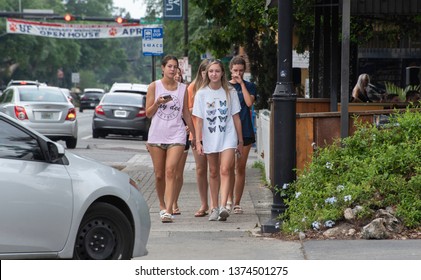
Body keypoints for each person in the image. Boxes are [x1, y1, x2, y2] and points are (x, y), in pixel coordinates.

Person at [146, 55, 195, 223]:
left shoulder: (183, 89)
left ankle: (168, 210)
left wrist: (194, 134)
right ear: (163, 68)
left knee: (170, 171)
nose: (172, 69)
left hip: (177, 134)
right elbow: (148, 113)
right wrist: (158, 103)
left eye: (175, 67)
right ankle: (161, 204)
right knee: (159, 174)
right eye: (169, 66)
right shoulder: (154, 87)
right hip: (157, 135)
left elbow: (186, 114)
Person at [192, 59, 243, 222]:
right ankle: (213, 207)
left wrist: (240, 140)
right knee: (213, 171)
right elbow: (199, 120)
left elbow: (236, 117)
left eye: (217, 71)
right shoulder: (201, 93)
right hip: (209, 135)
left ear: (222, 73)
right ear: (207, 73)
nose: (214, 74)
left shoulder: (230, 92)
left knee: (225, 169)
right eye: (211, 71)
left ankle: (223, 207)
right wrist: (198, 141)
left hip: (228, 135)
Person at [227, 56, 257, 214]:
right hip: (228, 132)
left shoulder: (250, 86)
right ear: (230, 70)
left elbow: (249, 103)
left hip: (245, 130)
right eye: (235, 70)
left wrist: (241, 85)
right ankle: (228, 199)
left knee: (240, 167)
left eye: (240, 70)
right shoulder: (224, 86)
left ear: (244, 71)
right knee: (228, 167)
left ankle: (237, 202)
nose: (237, 73)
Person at [188, 59, 212, 217]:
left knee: (216, 170)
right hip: (197, 133)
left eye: (209, 71)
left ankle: (216, 203)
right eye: (205, 71)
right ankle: (204, 204)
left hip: (215, 133)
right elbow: (189, 110)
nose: (207, 74)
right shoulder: (193, 87)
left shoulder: (218, 88)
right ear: (201, 72)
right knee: (201, 169)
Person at [172, 67, 189, 215]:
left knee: (178, 172)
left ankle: (174, 201)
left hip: (182, 133)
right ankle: (167, 202)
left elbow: (189, 112)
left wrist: (191, 127)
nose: (177, 76)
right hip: (164, 135)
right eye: (175, 73)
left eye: (179, 74)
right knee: (167, 171)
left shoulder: (185, 91)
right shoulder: (161, 89)